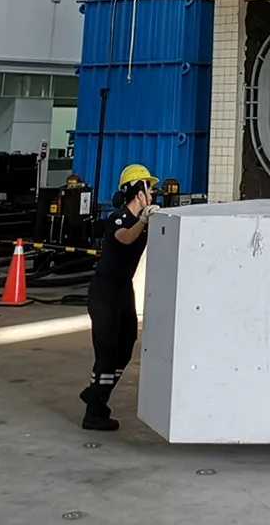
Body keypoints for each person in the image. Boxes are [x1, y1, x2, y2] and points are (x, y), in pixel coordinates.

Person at [79, 164, 161, 431]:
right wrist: (144, 221)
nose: (153, 193)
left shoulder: (144, 222)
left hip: (124, 290)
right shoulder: (118, 218)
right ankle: (94, 413)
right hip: (105, 291)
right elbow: (125, 238)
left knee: (125, 347)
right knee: (107, 350)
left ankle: (95, 392)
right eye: (150, 188)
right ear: (139, 191)